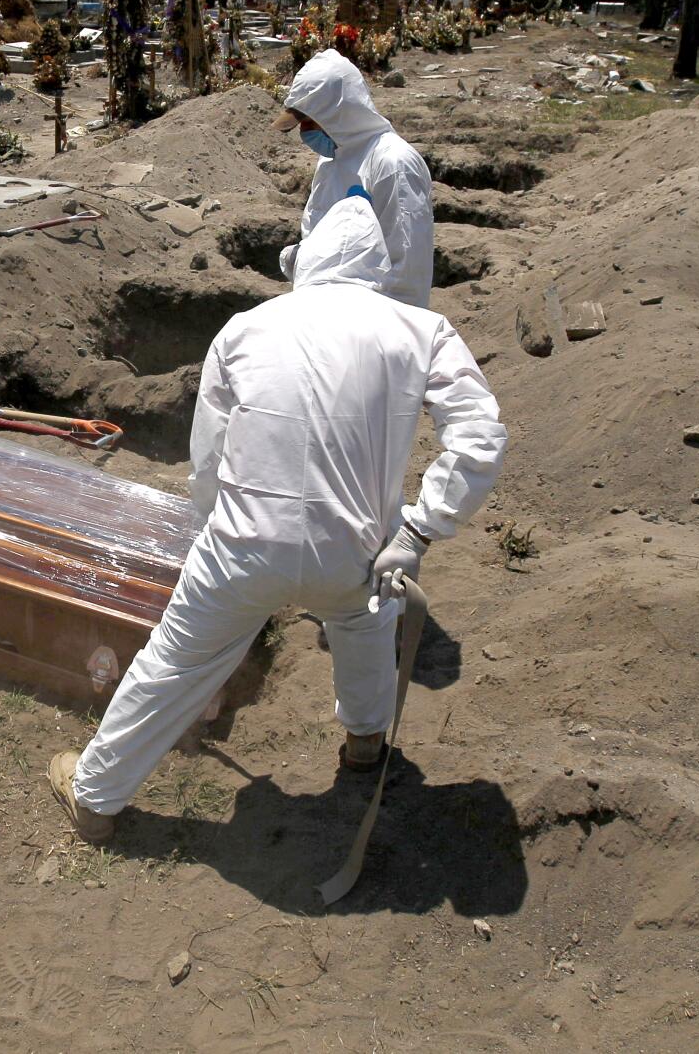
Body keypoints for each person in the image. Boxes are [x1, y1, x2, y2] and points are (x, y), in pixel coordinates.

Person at [47, 197, 507, 843]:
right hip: (359, 551)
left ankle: (95, 801)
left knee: (175, 661)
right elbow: (480, 435)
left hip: (243, 548)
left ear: (308, 255)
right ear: (376, 265)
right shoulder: (420, 330)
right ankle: (366, 746)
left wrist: (212, 524)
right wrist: (417, 532)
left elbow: (208, 454)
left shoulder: (245, 327)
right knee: (366, 624)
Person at [272, 48, 435, 309]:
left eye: (308, 121)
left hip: (374, 325)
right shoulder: (331, 159)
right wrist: (302, 260)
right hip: (328, 316)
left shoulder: (393, 163)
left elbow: (406, 272)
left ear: (336, 114)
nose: (303, 132)